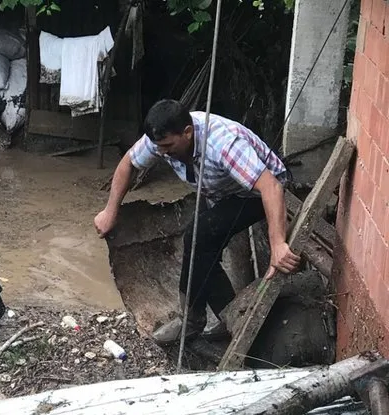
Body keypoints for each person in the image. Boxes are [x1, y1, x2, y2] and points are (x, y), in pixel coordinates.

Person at [94, 99, 300, 345]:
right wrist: (110, 210)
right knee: (202, 249)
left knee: (198, 236)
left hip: (253, 193)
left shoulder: (223, 144)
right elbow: (128, 163)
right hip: (219, 189)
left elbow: (272, 187)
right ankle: (230, 316)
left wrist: (277, 243)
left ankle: (191, 322)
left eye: (168, 146)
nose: (161, 153)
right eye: (158, 147)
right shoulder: (161, 138)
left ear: (188, 133)